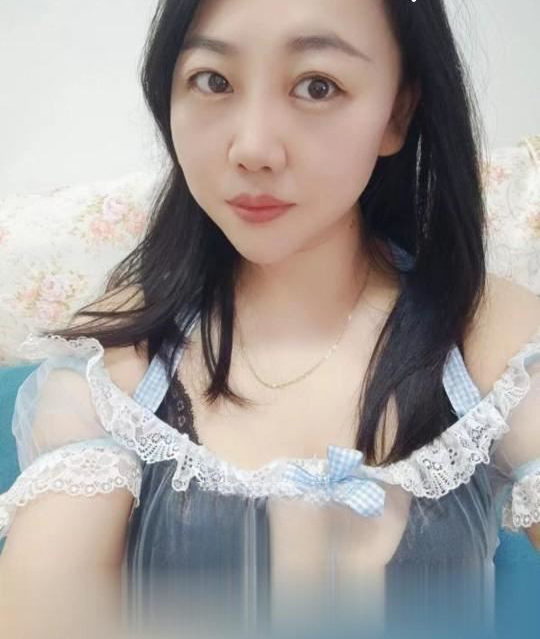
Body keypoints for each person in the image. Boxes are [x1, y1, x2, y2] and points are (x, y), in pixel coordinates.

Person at [1, 1, 539, 638]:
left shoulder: (489, 337)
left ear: (397, 111)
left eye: (318, 86)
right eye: (213, 81)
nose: (252, 147)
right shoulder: (118, 361)